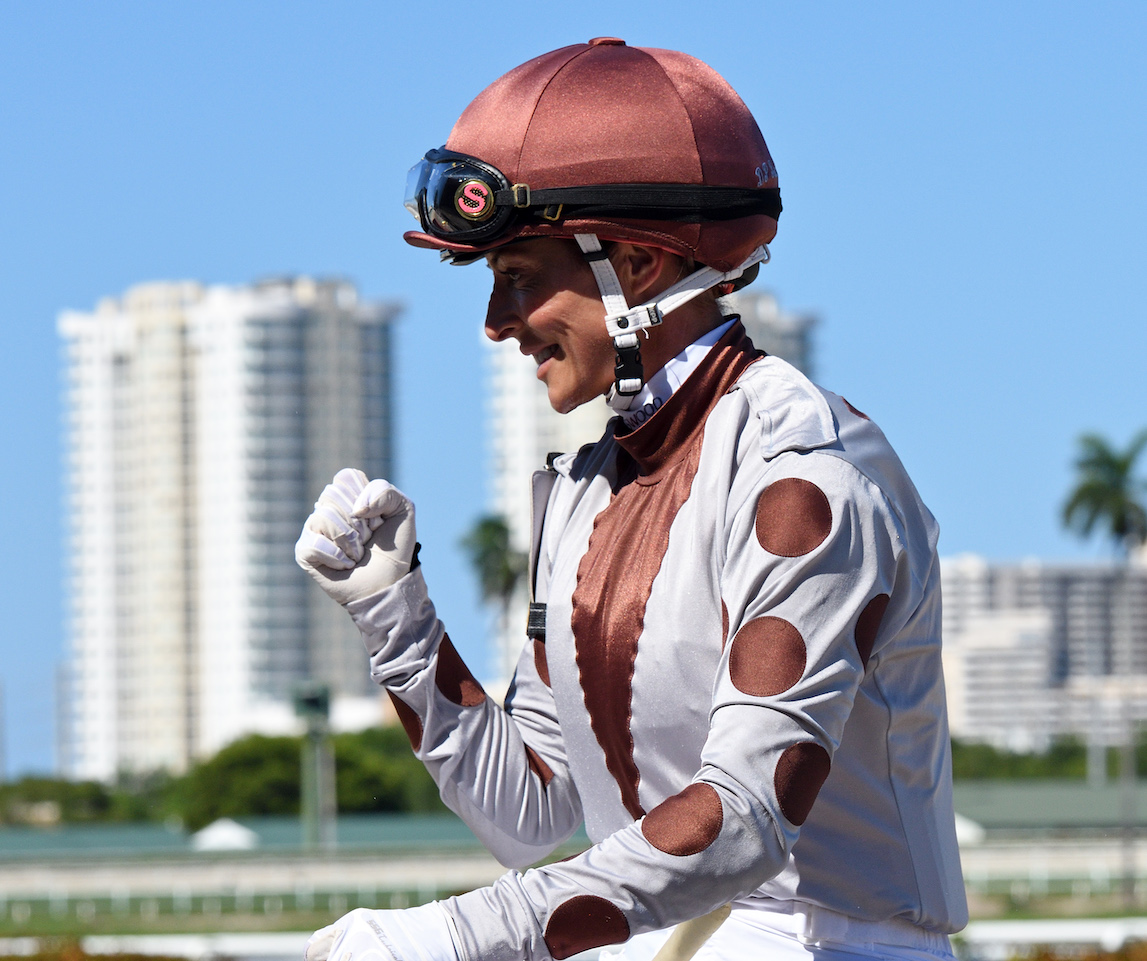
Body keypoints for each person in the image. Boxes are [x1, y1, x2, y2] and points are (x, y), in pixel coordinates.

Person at [295, 38, 967, 961]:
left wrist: (455, 933)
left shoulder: (807, 475)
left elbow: (741, 821)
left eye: (519, 278)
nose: (496, 325)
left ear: (640, 268)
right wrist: (394, 614)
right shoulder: (585, 489)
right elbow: (531, 813)